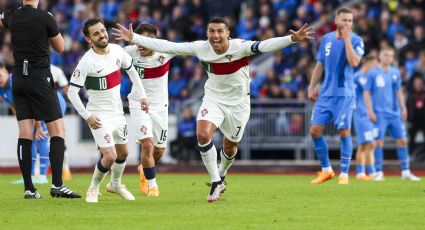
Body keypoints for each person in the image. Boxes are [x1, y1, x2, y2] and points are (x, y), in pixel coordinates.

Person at [113, 16, 313, 202]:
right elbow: (166, 45)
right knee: (202, 134)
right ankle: (216, 181)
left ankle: (222, 174)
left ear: (227, 34)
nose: (215, 35)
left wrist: (291, 39)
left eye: (219, 31)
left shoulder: (240, 47)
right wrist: (134, 38)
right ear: (207, 33)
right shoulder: (201, 48)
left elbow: (265, 45)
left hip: (239, 103)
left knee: (230, 147)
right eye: (211, 31)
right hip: (213, 99)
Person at [0, 0, 80, 199]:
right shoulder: (46, 17)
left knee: (25, 134)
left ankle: (29, 188)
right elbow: (60, 47)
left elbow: (2, 21)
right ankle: (58, 185)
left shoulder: (11, 15)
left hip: (17, 77)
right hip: (38, 76)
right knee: (58, 131)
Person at [67, 18, 149, 203]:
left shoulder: (118, 51)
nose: (102, 35)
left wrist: (142, 95)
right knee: (110, 156)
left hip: (117, 113)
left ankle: (116, 184)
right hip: (98, 115)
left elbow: (132, 71)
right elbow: (72, 92)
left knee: (124, 154)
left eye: (103, 31)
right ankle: (93, 188)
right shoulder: (87, 61)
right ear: (88, 39)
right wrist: (87, 116)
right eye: (96, 33)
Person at [308, 8, 364, 185]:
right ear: (336, 20)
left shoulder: (356, 40)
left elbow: (354, 62)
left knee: (344, 131)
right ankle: (327, 170)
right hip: (325, 93)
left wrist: (347, 40)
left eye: (350, 20)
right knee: (315, 131)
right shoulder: (327, 39)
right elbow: (320, 65)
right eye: (344, 20)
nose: (347, 23)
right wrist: (311, 86)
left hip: (345, 94)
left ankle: (345, 174)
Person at [123, 23, 175, 196]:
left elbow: (189, 49)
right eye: (139, 41)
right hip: (138, 103)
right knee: (147, 143)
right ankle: (153, 186)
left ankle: (144, 168)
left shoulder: (166, 51)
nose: (141, 46)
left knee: (159, 151)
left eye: (146, 41)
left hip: (160, 106)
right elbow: (109, 55)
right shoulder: (129, 53)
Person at [363, 47, 420, 181]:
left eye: (391, 56)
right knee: (378, 142)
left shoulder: (395, 72)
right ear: (380, 57)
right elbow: (366, 93)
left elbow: (398, 91)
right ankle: (379, 172)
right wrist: (370, 111)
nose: (389, 58)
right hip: (379, 114)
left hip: (394, 113)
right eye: (386, 55)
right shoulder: (373, 73)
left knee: (402, 140)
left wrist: (404, 108)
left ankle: (405, 171)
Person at [352, 55, 379, 180]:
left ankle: (361, 172)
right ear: (366, 63)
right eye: (373, 64)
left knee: (365, 144)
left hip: (367, 114)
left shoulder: (368, 78)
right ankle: (370, 172)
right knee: (369, 143)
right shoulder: (358, 77)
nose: (375, 67)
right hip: (361, 114)